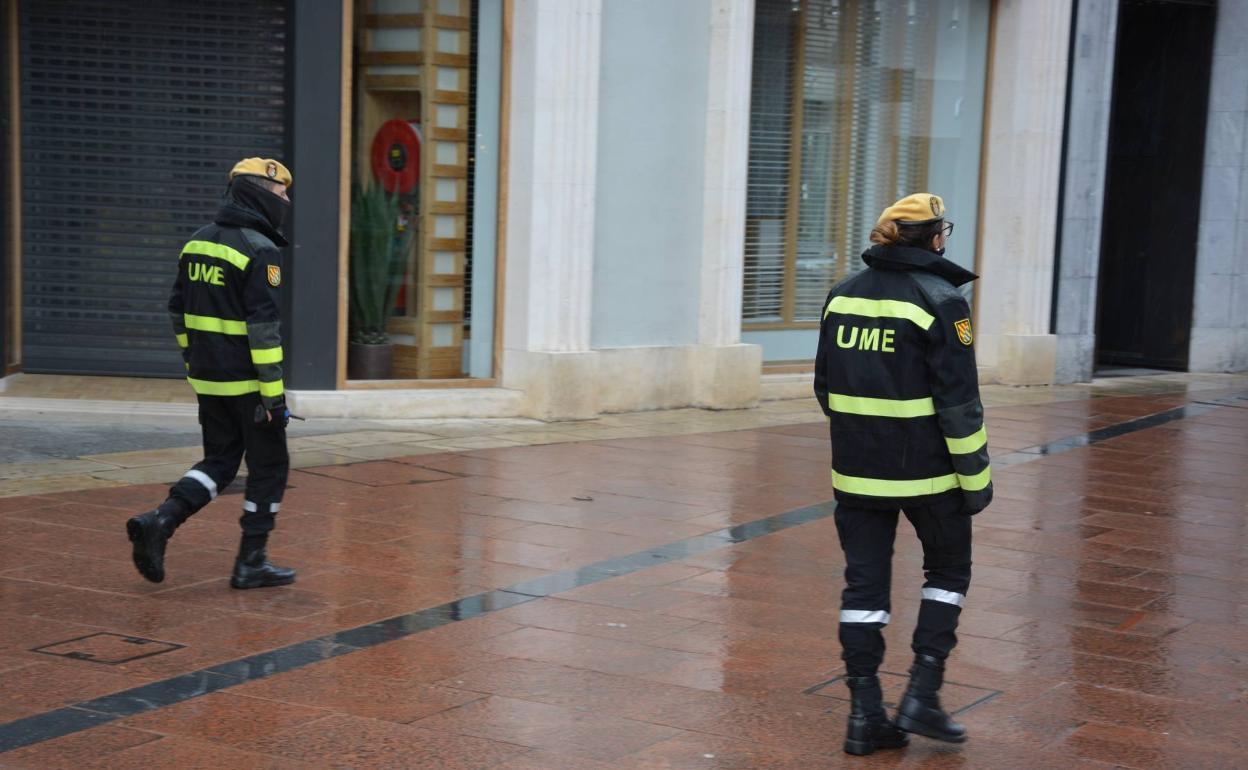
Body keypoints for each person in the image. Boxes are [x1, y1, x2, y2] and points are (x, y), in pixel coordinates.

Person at [814, 193, 992, 755]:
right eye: (944, 231)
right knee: (947, 571)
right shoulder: (942, 300)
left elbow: (825, 387)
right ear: (934, 238)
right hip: (929, 476)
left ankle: (864, 714)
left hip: (857, 473)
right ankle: (923, 693)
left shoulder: (841, 296)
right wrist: (976, 479)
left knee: (863, 586)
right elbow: (959, 404)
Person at [127, 158, 297, 590]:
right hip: (250, 385)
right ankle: (251, 563)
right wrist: (273, 399)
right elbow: (263, 330)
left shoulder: (196, 243)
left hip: (209, 381)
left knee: (219, 461)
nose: (287, 200)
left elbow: (176, 311)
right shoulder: (260, 250)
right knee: (270, 467)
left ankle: (161, 521)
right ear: (259, 194)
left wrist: (192, 364)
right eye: (280, 194)